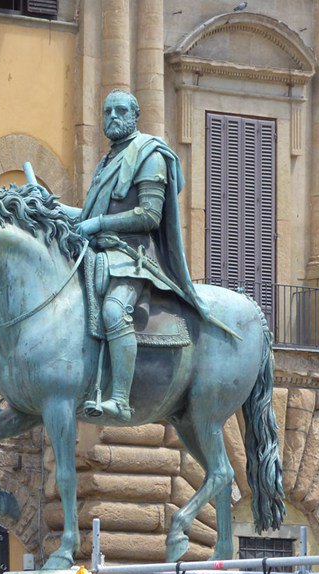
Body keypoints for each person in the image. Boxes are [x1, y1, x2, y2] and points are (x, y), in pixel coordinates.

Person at [57, 89, 210, 422]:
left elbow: (148, 215)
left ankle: (121, 399)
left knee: (113, 312)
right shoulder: (108, 159)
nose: (112, 116)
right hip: (98, 253)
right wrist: (55, 207)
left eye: (120, 111)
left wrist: (97, 223)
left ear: (135, 115)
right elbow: (87, 215)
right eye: (107, 111)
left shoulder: (149, 155)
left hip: (131, 257)